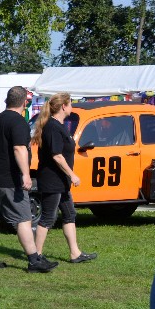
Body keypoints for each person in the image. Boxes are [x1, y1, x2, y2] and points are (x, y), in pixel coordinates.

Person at [0, 86, 56, 273]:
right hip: (9, 180)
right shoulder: (19, 122)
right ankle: (33, 261)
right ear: (24, 102)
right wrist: (26, 174)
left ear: (7, 100)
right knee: (23, 219)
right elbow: (19, 149)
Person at [31, 92, 97, 265]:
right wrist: (72, 174)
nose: (72, 107)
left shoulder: (59, 125)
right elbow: (57, 156)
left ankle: (75, 253)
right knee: (47, 217)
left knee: (69, 214)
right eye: (71, 104)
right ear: (63, 106)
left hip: (61, 182)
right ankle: (36, 255)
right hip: (52, 180)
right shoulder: (52, 127)